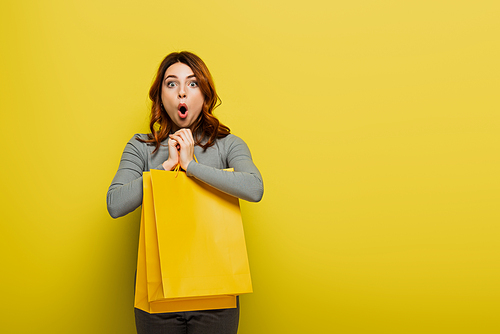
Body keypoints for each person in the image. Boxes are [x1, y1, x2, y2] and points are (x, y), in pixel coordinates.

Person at [107, 51, 263, 334]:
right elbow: (115, 204)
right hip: (158, 297)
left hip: (217, 295)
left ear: (205, 95)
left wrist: (191, 166)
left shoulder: (228, 145)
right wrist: (166, 168)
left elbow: (254, 188)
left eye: (192, 84)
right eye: (171, 84)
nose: (181, 92)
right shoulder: (140, 146)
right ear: (160, 97)